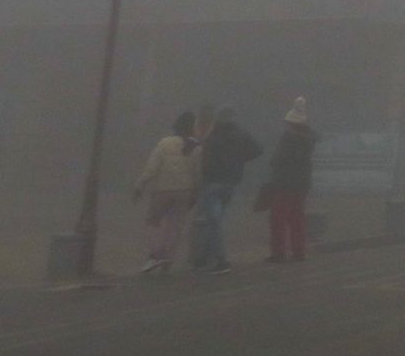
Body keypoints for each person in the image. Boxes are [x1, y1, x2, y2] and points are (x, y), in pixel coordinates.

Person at [190, 107, 262, 273]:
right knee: (215, 221)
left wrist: (205, 177)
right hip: (231, 183)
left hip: (213, 183)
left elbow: (205, 161)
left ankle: (221, 261)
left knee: (213, 222)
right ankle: (203, 258)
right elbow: (258, 149)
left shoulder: (213, 136)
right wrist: (239, 160)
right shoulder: (241, 134)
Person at [132, 112, 200, 273]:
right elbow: (198, 174)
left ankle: (156, 255)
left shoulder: (164, 143)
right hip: (185, 191)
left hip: (162, 189)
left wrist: (139, 186)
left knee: (153, 222)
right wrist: (196, 193)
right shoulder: (196, 147)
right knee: (175, 225)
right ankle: (168, 259)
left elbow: (151, 168)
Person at [263, 98, 317, 264]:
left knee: (278, 218)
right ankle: (298, 250)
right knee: (297, 217)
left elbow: (277, 159)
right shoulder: (309, 139)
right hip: (301, 184)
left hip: (284, 183)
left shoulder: (288, 137)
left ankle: (278, 252)